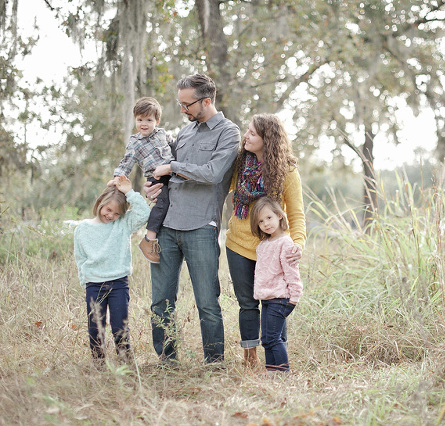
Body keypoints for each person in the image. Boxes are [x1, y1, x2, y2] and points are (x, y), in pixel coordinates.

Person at [146, 74, 240, 364]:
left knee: (207, 302)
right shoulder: (184, 134)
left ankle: (214, 362)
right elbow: (167, 174)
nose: (183, 109)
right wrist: (154, 185)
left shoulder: (229, 132)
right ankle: (167, 359)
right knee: (161, 302)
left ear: (207, 100)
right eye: (180, 103)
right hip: (166, 228)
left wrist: (172, 166)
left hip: (201, 227)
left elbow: (213, 174)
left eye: (187, 104)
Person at [225, 113, 306, 368]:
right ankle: (250, 359)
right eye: (246, 131)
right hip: (238, 245)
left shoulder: (287, 172)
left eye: (252, 133)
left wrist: (299, 244)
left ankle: (277, 359)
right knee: (247, 304)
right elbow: (214, 187)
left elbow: (295, 213)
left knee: (273, 303)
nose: (245, 136)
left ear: (267, 139)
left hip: (271, 249)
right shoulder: (239, 164)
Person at [73, 176, 150, 363]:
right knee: (95, 327)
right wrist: (85, 280)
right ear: (100, 203)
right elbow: (80, 257)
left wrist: (129, 192)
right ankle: (99, 363)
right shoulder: (82, 228)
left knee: (120, 327)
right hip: (94, 283)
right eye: (108, 210)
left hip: (118, 283)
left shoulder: (123, 224)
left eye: (116, 213)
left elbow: (144, 214)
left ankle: (125, 361)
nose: (111, 216)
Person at [112, 97, 173, 264]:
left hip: (172, 173)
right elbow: (127, 162)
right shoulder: (135, 142)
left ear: (157, 121)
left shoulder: (163, 134)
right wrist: (117, 178)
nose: (143, 124)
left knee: (172, 202)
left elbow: (174, 147)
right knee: (162, 204)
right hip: (156, 178)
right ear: (135, 120)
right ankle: (149, 239)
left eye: (149, 120)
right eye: (140, 120)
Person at [249, 196, 303, 372]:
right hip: (266, 299)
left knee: (273, 338)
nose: (265, 224)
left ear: (280, 215)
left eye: (269, 218)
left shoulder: (286, 243)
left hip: (280, 299)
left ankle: (283, 371)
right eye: (261, 221)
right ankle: (272, 371)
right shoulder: (263, 245)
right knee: (266, 339)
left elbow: (292, 273)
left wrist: (293, 299)